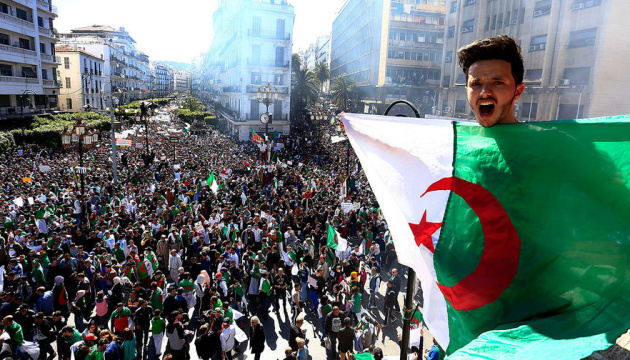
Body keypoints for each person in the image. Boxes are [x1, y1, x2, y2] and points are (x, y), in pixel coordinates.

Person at [457, 35, 525, 127]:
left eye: (498, 83)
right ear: (467, 91)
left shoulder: (538, 140)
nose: (484, 92)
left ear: (518, 91)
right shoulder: (461, 139)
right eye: (476, 84)